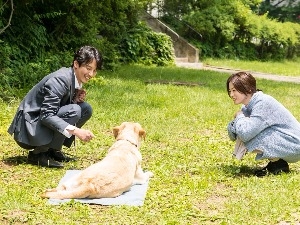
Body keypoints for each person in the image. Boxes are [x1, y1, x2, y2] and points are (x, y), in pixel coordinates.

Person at [8, 45, 103, 168]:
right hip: (27, 129)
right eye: (88, 68)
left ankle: (52, 150)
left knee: (85, 109)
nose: (91, 74)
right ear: (76, 64)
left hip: (38, 121)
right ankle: (38, 154)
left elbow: (58, 107)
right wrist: (76, 131)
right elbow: (47, 115)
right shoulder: (61, 79)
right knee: (75, 110)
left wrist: (75, 98)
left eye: (94, 70)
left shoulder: (74, 78)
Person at [226, 72, 300, 177]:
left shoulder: (262, 102)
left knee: (248, 129)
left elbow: (245, 133)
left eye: (234, 90)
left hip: (295, 144)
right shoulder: (247, 107)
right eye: (230, 91)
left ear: (248, 89)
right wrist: (239, 121)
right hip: (290, 142)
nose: (231, 95)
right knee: (246, 126)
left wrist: (239, 117)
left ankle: (277, 163)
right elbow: (232, 135)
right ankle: (277, 164)